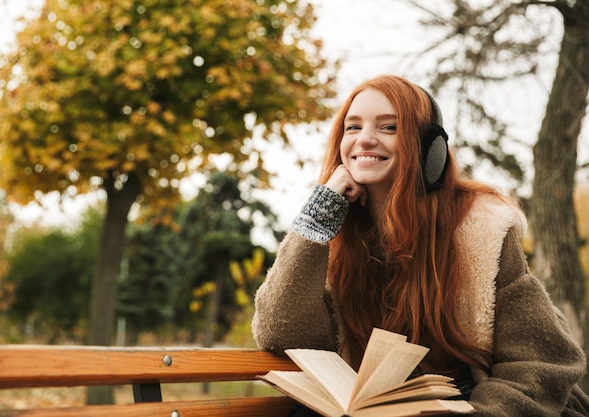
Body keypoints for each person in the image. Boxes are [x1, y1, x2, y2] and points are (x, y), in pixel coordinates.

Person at [251, 74, 589, 416]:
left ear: (431, 150)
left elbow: (543, 361)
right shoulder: (334, 231)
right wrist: (318, 215)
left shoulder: (481, 228)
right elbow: (280, 333)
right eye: (352, 128)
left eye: (388, 127)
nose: (364, 140)